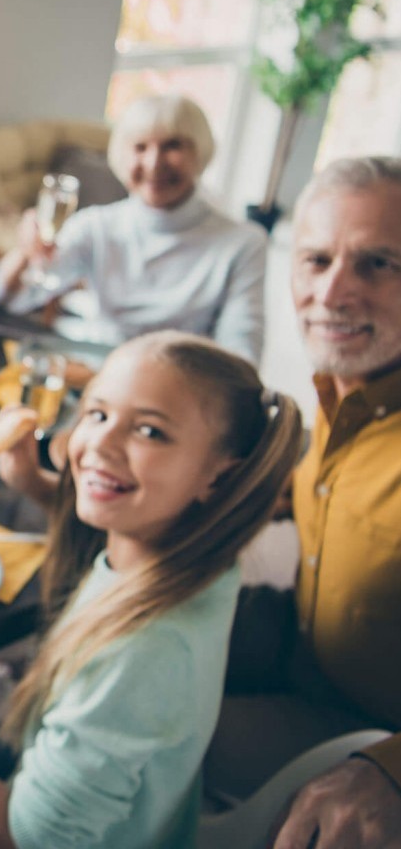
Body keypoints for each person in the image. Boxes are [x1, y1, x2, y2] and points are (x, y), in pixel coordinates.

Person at [0, 331, 301, 848]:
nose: (101, 445)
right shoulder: (204, 558)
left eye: (151, 432)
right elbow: (115, 543)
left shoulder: (145, 654)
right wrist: (38, 486)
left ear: (219, 479)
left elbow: (25, 839)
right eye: (98, 414)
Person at [206, 155, 401, 848]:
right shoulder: (341, 392)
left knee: (133, 732)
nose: (333, 292)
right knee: (98, 646)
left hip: (365, 726)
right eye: (315, 259)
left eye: (378, 263)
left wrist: (391, 771)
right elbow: (292, 493)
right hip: (298, 646)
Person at [0, 94, 267, 363]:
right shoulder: (95, 226)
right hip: (96, 373)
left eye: (172, 146)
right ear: (121, 156)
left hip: (181, 387)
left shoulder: (243, 243)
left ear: (201, 152)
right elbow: (9, 301)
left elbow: (241, 357)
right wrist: (26, 252)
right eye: (140, 147)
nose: (154, 163)